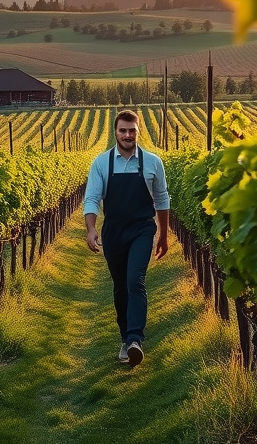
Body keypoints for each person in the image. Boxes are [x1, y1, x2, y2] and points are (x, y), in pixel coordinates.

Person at [84, 110, 170, 367]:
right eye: (123, 130)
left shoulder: (153, 162)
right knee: (121, 286)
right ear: (116, 132)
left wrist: (163, 235)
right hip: (114, 231)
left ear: (138, 131)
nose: (127, 135)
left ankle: (135, 339)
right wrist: (91, 228)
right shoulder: (101, 163)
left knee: (135, 280)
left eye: (132, 130)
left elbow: (162, 199)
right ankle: (125, 338)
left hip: (142, 229)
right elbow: (92, 198)